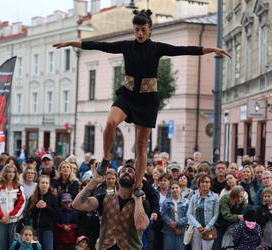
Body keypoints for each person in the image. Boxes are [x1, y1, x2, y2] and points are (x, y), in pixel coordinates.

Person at [53, 9, 230, 197]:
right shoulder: (126, 46)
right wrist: (72, 43)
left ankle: (137, 185)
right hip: (127, 96)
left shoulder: (157, 48)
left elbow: (184, 50)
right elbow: (100, 45)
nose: (140, 33)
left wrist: (212, 49)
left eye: (143, 30)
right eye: (137, 30)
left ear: (150, 30)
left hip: (147, 100)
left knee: (140, 144)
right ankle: (106, 158)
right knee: (111, 122)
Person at [72, 163, 149, 249]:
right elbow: (77, 204)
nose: (126, 172)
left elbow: (141, 226)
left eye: (130, 171)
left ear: (135, 180)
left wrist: (138, 199)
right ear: (118, 179)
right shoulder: (105, 198)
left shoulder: (142, 203)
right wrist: (93, 182)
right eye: (123, 171)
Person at [0, 163, 26, 250]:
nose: (11, 174)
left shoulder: (19, 187)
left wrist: (10, 216)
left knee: (13, 245)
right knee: (1, 245)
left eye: (13, 172)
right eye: (9, 172)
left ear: (15, 174)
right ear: (5, 173)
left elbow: (21, 204)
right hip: (1, 221)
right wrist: (2, 216)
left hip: (14, 221)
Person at [187, 174, 219, 250]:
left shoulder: (215, 197)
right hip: (196, 229)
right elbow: (189, 213)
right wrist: (198, 226)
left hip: (209, 229)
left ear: (210, 184)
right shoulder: (194, 197)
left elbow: (216, 214)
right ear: (199, 184)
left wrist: (207, 227)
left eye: (207, 182)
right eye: (202, 182)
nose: (204, 184)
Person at [26, 175, 58, 250]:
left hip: (48, 229)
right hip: (34, 230)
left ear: (49, 185)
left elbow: (56, 214)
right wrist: (36, 207)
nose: (44, 184)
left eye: (46, 183)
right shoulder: (33, 197)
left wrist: (46, 206)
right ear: (39, 184)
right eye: (42, 182)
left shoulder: (53, 197)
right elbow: (28, 213)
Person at [161, 181, 188, 250]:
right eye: (172, 188)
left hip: (181, 231)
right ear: (170, 190)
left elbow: (188, 215)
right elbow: (163, 214)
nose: (174, 190)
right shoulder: (166, 201)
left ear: (180, 189)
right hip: (168, 231)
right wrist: (171, 223)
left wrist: (178, 222)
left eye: (176, 188)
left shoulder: (186, 202)